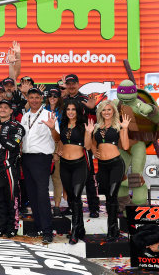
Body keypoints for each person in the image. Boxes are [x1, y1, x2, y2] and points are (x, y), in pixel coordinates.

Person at [21, 87, 60, 244]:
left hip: (42, 159)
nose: (35, 100)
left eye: (37, 97)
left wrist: (52, 128)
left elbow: (57, 138)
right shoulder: (25, 117)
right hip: (26, 158)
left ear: (42, 98)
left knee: (42, 195)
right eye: (32, 98)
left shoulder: (49, 115)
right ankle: (38, 226)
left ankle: (47, 230)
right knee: (32, 194)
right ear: (28, 99)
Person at [88, 100, 130, 242]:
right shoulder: (97, 127)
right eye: (104, 110)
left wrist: (124, 128)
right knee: (108, 196)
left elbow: (125, 146)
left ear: (113, 112)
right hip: (102, 166)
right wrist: (95, 151)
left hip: (116, 165)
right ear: (100, 112)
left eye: (109, 110)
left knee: (112, 195)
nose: (106, 112)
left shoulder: (119, 126)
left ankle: (112, 230)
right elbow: (92, 144)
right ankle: (114, 229)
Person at [0, 99, 25, 238]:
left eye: (5, 107)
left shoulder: (17, 127)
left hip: (9, 168)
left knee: (11, 199)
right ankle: (0, 227)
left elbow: (13, 146)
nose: (2, 109)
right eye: (0, 107)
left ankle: (12, 228)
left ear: (11, 111)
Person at [63, 73, 100, 218]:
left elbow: (95, 119)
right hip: (68, 142)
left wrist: (92, 109)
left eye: (74, 83)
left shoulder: (85, 99)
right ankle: (72, 206)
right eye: (69, 83)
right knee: (69, 179)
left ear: (78, 84)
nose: (71, 86)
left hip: (84, 141)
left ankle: (94, 207)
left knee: (89, 176)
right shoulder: (63, 100)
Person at [57, 101, 90, 244]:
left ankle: (75, 230)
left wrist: (89, 132)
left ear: (78, 111)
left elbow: (88, 146)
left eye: (73, 109)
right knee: (71, 198)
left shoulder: (83, 126)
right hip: (64, 164)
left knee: (76, 197)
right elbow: (60, 142)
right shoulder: (63, 125)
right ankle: (81, 228)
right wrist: (58, 150)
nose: (70, 112)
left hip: (79, 165)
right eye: (68, 109)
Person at [45, 86, 67, 216]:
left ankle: (57, 206)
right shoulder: (42, 109)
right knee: (42, 178)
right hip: (42, 145)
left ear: (59, 98)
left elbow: (64, 131)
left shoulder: (64, 111)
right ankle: (44, 204)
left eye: (55, 96)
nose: (52, 98)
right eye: (50, 96)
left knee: (57, 177)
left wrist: (59, 148)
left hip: (57, 144)